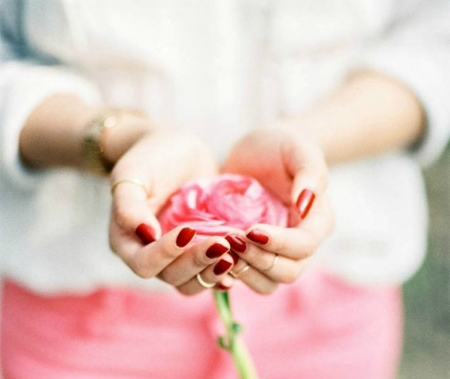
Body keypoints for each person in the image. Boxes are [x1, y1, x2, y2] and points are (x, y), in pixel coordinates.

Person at [1, 0, 449, 378]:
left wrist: (309, 144)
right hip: (74, 320)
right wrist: (119, 141)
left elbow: (432, 38)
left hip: (331, 307)